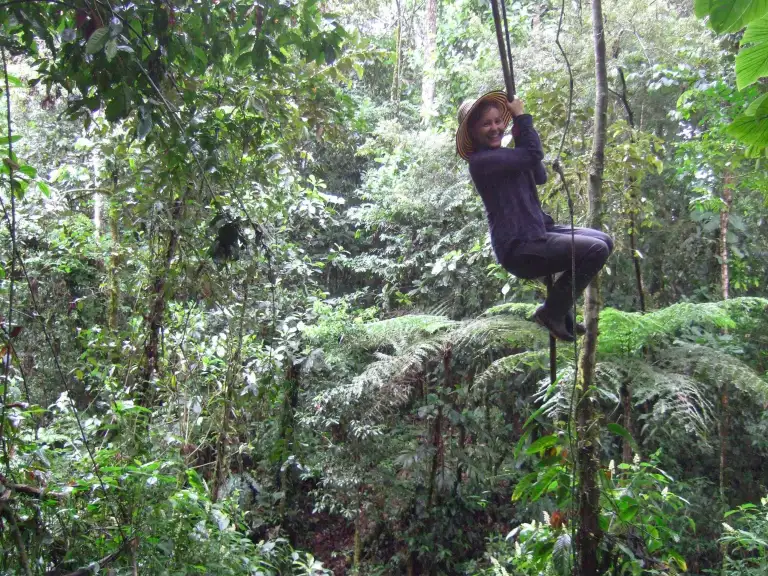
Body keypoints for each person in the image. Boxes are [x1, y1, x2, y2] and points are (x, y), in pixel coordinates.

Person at [456, 90, 613, 341]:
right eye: (486, 124)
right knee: (596, 250)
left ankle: (560, 310)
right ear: (473, 133)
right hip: (520, 246)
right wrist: (522, 118)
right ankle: (553, 312)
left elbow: (539, 174)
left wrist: (520, 135)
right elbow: (532, 155)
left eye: (498, 121)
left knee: (605, 241)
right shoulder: (481, 162)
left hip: (538, 230)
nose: (495, 127)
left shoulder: (507, 157)